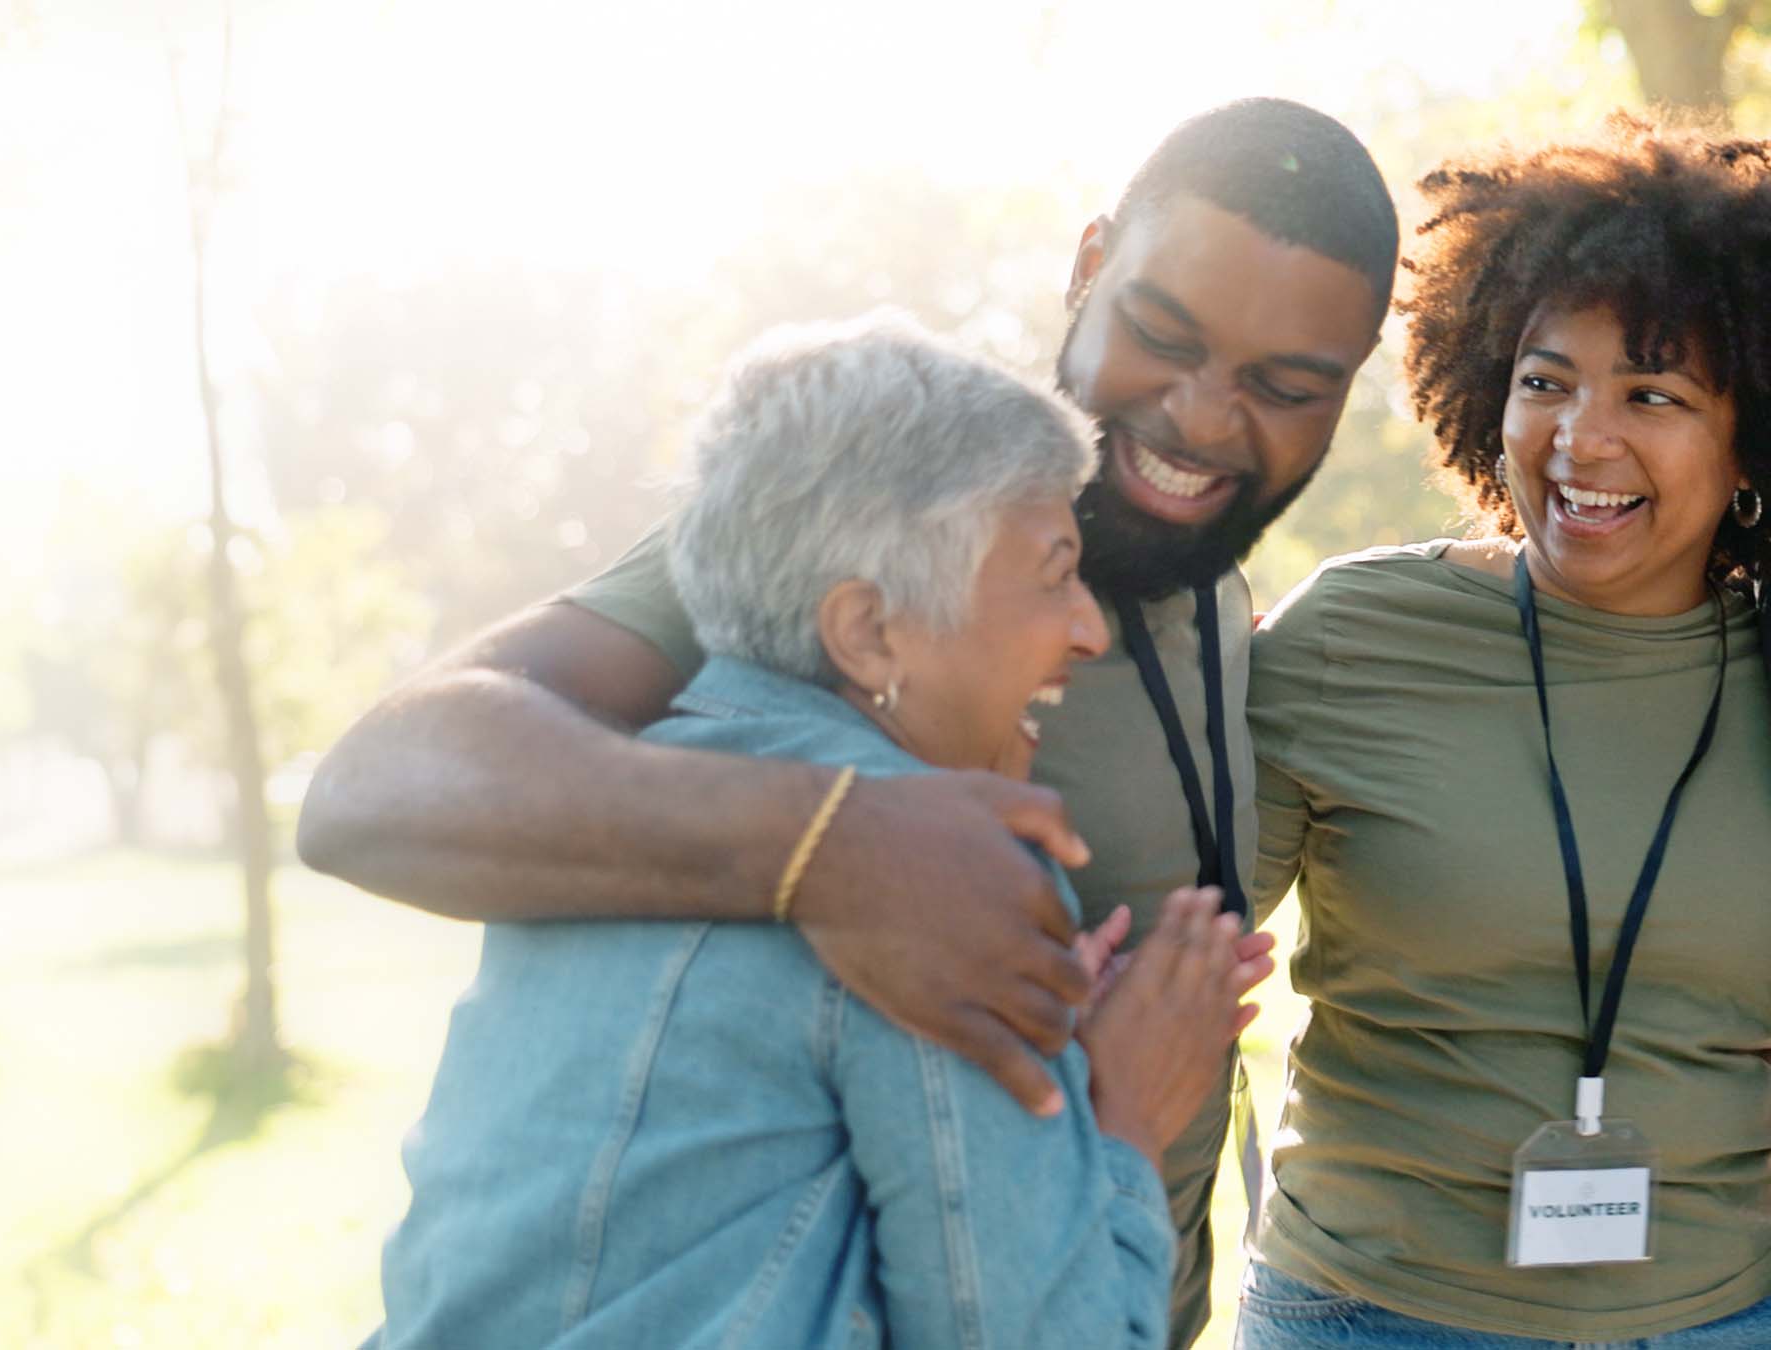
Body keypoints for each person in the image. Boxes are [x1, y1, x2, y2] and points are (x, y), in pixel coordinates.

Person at [302, 97, 1397, 1346]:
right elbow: (374, 786)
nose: (1202, 420)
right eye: (1160, 332)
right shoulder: (877, 520)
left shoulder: (1220, 599)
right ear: (1087, 267)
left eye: (1285, 385)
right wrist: (839, 843)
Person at [373, 317, 1272, 1350]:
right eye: (1052, 570)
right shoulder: (939, 872)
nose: (1089, 627)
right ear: (866, 630)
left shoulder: (594, 821)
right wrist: (1120, 1117)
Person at [1238, 119, 1771, 1347]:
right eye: (1545, 381)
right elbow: (1163, 931)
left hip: (1723, 1316)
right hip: (1369, 1315)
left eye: (1654, 392)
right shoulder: (1350, 635)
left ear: (1746, 436)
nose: (1581, 439)